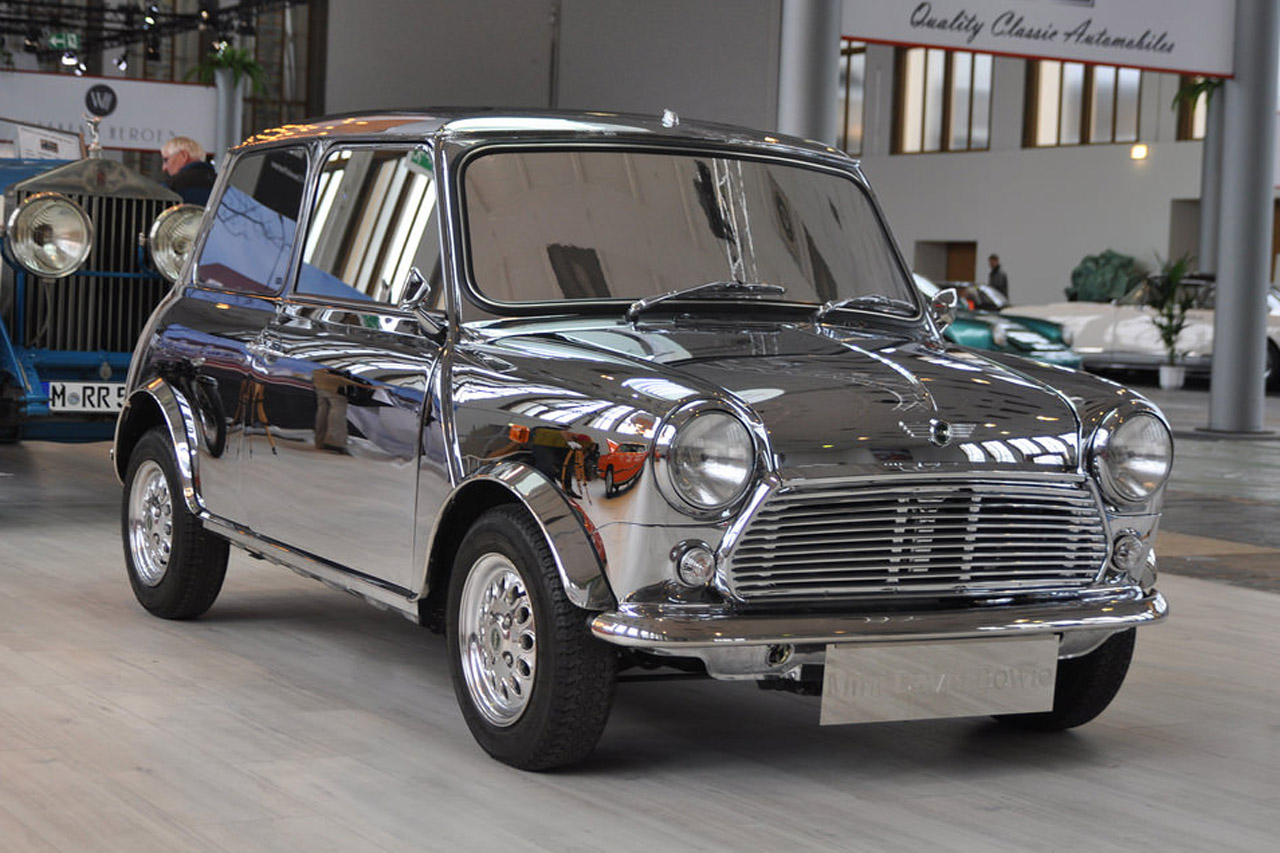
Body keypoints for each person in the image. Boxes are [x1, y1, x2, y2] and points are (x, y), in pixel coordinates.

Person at [160, 136, 217, 205]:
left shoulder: (171, 187)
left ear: (184, 156)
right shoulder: (221, 184)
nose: (164, 168)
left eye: (166, 160)